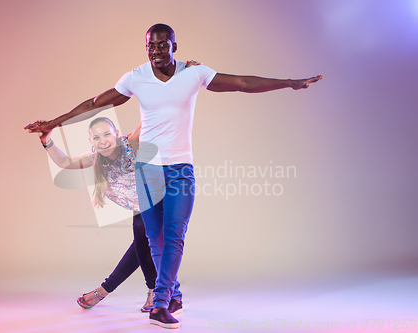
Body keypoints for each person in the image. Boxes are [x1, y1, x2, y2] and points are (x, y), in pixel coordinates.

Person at [25, 23, 322, 329]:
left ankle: (161, 304)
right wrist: (53, 124)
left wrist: (289, 83)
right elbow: (93, 104)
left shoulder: (193, 73)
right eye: (151, 46)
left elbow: (242, 82)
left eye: (162, 45)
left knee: (174, 238)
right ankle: (172, 296)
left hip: (180, 169)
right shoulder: (135, 78)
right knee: (155, 240)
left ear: (173, 47)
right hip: (147, 170)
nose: (156, 51)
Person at [35, 117, 157, 312]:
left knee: (141, 233)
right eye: (97, 137)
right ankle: (137, 292)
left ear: (116, 134)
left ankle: (139, 291)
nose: (103, 140)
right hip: (140, 206)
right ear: (91, 140)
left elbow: (150, 120)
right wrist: (47, 141)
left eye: (107, 134)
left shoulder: (131, 144)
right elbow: (65, 162)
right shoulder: (95, 157)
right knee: (140, 243)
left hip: (161, 199)